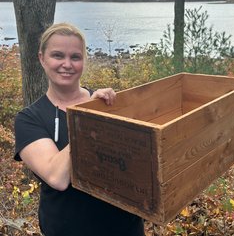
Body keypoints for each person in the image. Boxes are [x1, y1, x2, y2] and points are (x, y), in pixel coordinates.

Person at [14, 22, 145, 236]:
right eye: (57, 55)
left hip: (125, 228)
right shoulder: (29, 119)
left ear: (83, 61)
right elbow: (57, 177)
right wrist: (88, 118)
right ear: (41, 59)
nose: (67, 64)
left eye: (75, 57)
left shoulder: (108, 105)